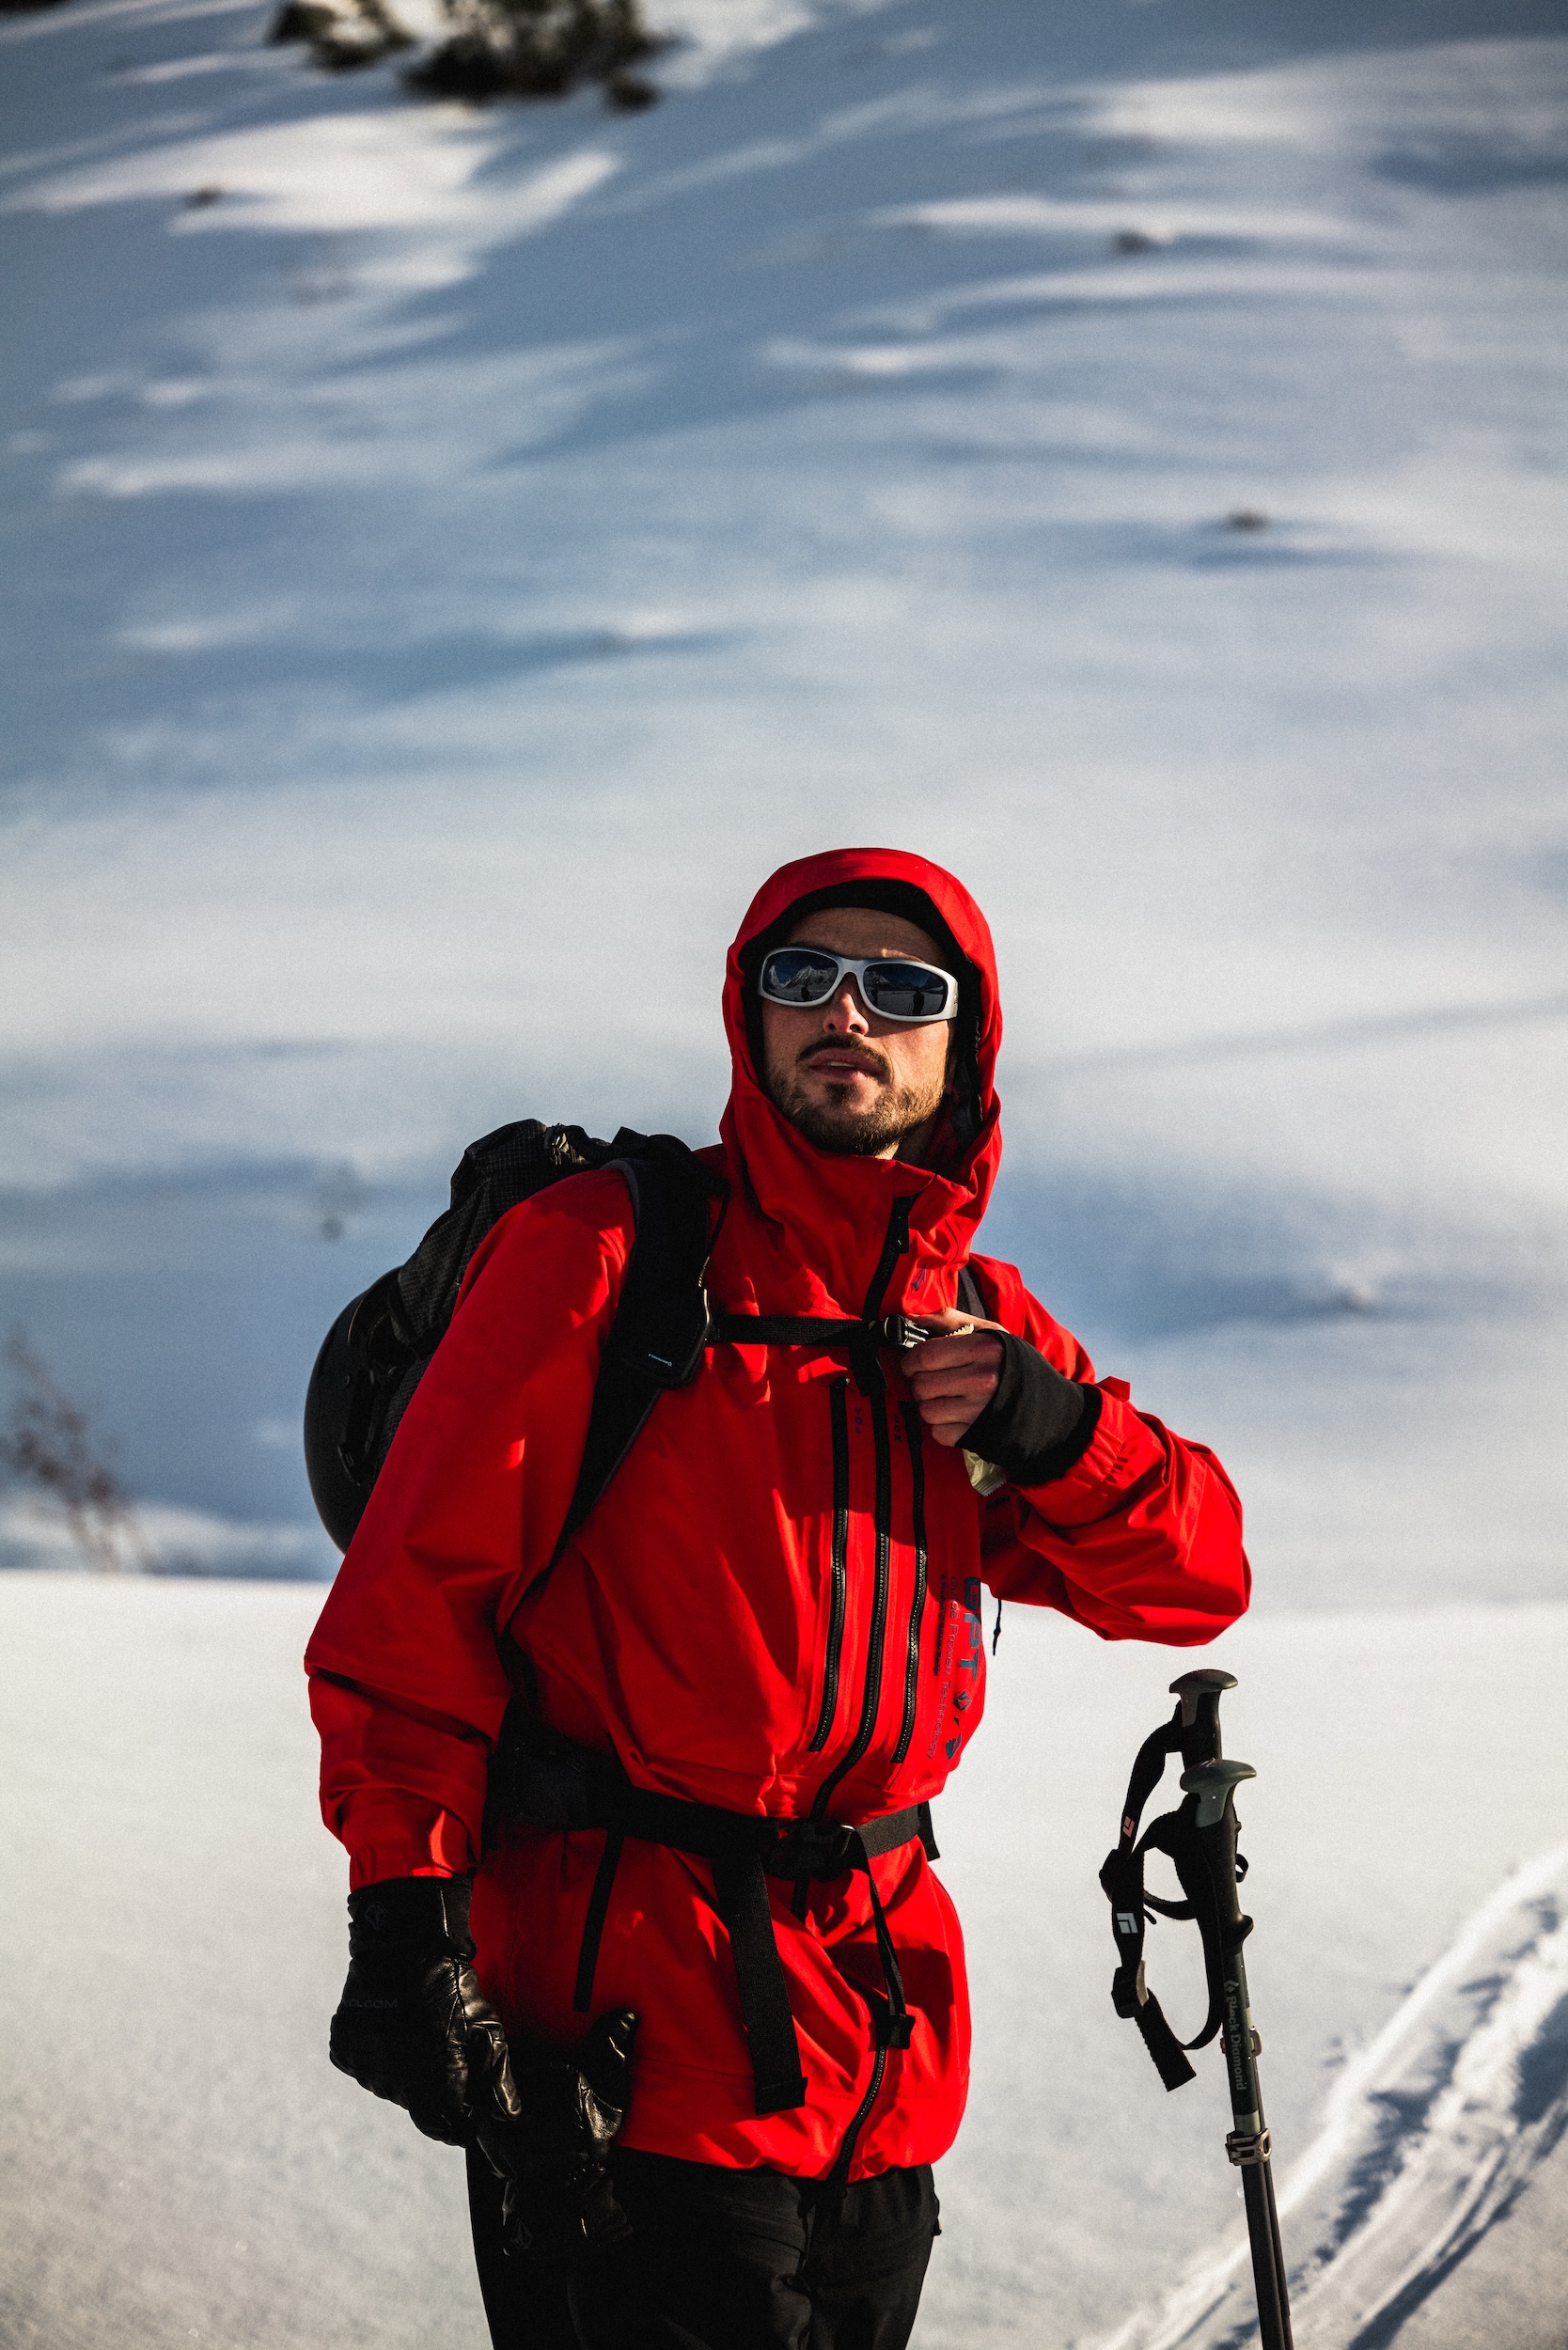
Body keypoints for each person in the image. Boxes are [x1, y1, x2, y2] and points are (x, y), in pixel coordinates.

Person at [306, 846, 1249, 2349]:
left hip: (884, 2056)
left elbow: (1195, 1580)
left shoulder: (971, 1324)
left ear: (966, 1047)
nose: (847, 1016)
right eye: (800, 978)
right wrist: (404, 1929)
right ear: (745, 1017)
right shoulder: (608, 1254)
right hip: (627, 2062)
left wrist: (1057, 1433)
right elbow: (414, 1609)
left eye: (902, 988)